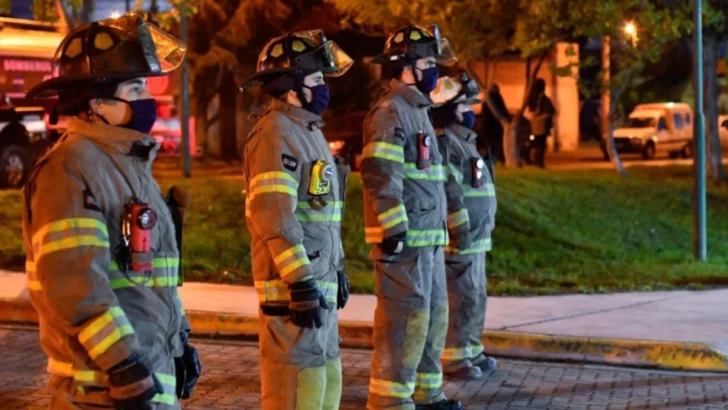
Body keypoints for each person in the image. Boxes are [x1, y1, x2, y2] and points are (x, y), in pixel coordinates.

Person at [21, 13, 200, 410]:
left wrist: (179, 341)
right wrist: (123, 364)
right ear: (98, 103)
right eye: (135, 89)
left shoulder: (127, 164)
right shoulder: (69, 169)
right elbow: (75, 285)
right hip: (103, 391)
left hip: (145, 375)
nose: (147, 101)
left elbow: (153, 276)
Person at [240, 30, 353, 410]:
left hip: (316, 283)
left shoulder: (307, 132)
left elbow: (319, 215)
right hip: (293, 291)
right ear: (291, 86)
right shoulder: (275, 135)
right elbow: (274, 215)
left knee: (324, 376)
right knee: (295, 385)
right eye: (317, 79)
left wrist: (334, 270)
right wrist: (301, 283)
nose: (324, 89)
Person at [361, 24, 463, 410]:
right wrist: (392, 229)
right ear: (405, 68)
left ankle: (426, 393)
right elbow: (380, 176)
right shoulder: (390, 113)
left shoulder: (418, 112)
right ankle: (390, 400)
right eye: (427, 62)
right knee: (403, 322)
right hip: (404, 243)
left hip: (428, 240)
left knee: (432, 318)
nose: (434, 70)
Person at [431, 72, 498, 381]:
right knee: (461, 298)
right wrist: (460, 231)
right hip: (461, 240)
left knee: (475, 297)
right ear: (450, 109)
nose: (471, 112)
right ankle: (455, 358)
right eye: (465, 106)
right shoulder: (446, 144)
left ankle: (471, 349)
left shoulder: (465, 143)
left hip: (476, 239)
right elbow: (449, 192)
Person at [525, 78, 556, 168]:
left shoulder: (533, 97)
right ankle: (539, 162)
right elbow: (550, 111)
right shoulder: (543, 98)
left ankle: (534, 160)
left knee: (536, 143)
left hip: (535, 126)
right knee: (540, 145)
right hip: (542, 126)